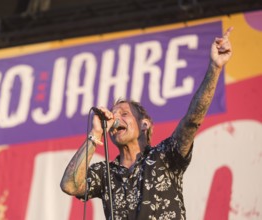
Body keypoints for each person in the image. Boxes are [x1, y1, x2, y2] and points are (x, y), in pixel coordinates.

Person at [60, 27, 233, 219]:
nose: (115, 119)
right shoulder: (105, 173)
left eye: (124, 113)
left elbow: (192, 119)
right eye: (113, 114)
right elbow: (70, 185)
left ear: (145, 125)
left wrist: (215, 68)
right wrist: (95, 134)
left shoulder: (165, 155)